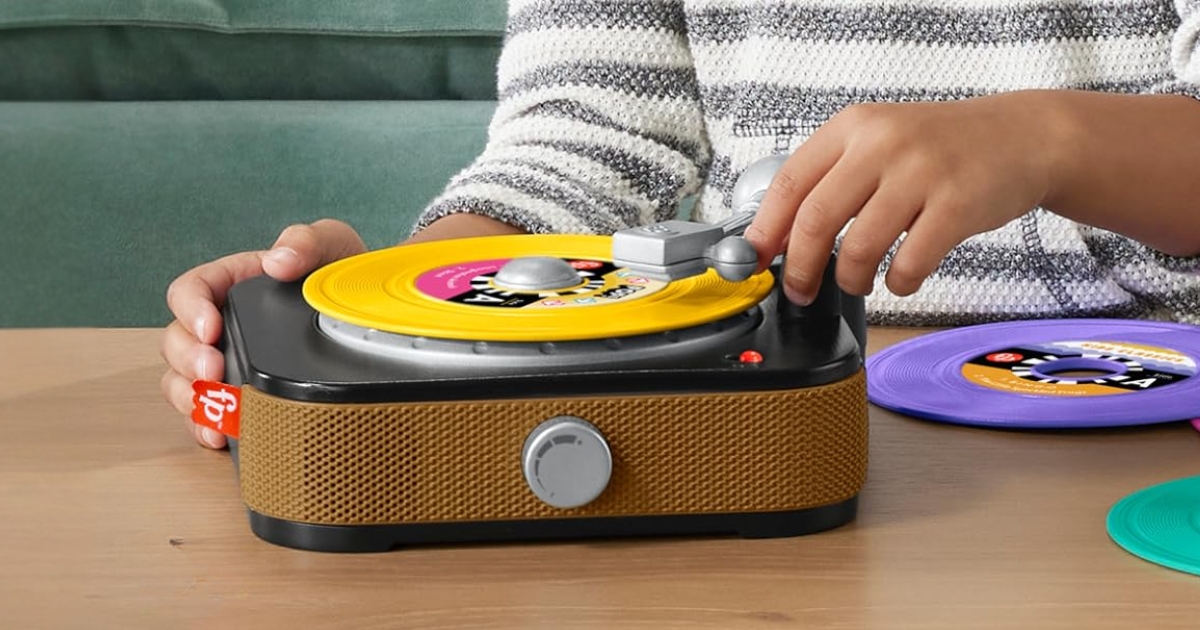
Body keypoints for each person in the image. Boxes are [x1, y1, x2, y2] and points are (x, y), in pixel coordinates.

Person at [162, 0, 1200, 449]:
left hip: (1153, 432)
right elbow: (586, 135)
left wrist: (1056, 139)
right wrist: (393, 319)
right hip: (773, 414)